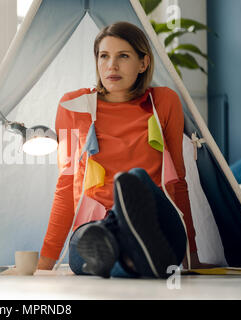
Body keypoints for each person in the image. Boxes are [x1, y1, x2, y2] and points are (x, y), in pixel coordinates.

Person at [37, 21, 216, 278]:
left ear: (143, 63)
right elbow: (66, 185)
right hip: (97, 232)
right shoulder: (73, 105)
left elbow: (178, 181)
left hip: (159, 224)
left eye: (123, 56)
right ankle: (129, 253)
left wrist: (193, 256)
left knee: (135, 180)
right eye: (104, 56)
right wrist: (44, 264)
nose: (112, 65)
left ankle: (128, 245)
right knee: (89, 242)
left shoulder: (164, 101)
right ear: (97, 61)